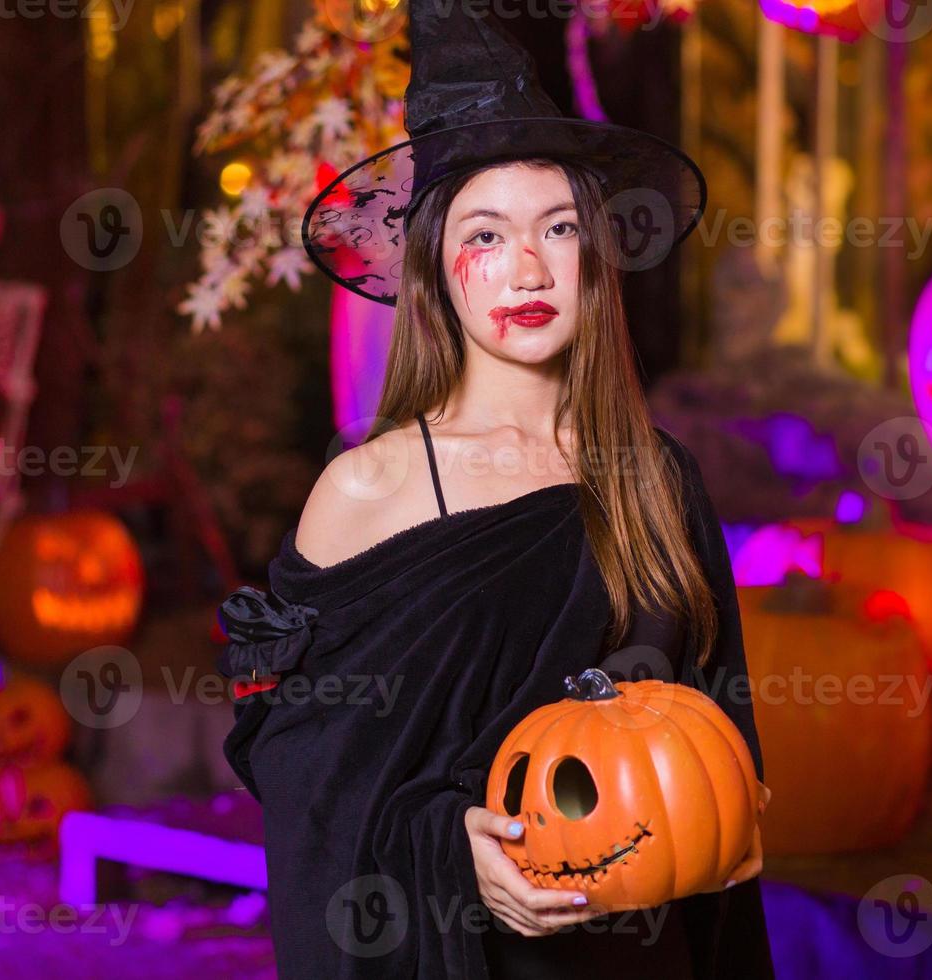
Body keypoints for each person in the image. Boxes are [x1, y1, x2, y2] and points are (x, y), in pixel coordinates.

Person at [214, 3, 773, 979]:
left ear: (595, 255)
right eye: (485, 233)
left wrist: (728, 809)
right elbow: (305, 782)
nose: (525, 265)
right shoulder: (367, 487)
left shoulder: (657, 480)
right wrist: (450, 854)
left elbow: (718, 746)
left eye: (557, 227)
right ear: (434, 266)